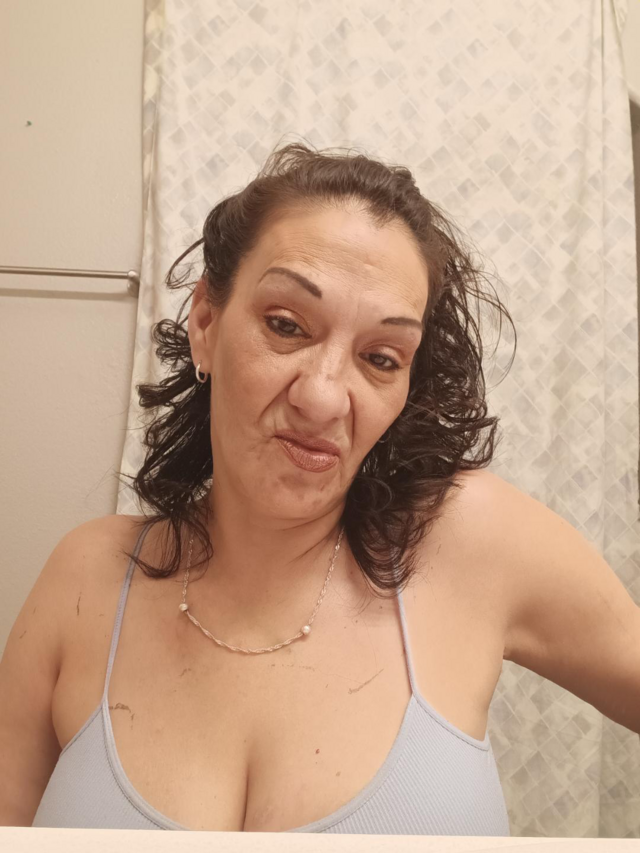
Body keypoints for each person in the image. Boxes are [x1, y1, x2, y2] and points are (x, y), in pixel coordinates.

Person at [2, 142, 638, 835]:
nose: (324, 397)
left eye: (380, 358)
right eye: (286, 326)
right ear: (206, 323)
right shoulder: (87, 578)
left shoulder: (471, 541)